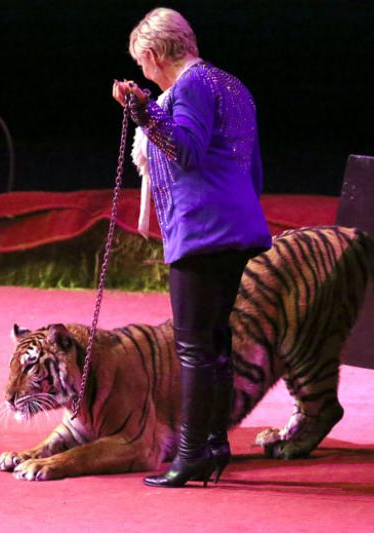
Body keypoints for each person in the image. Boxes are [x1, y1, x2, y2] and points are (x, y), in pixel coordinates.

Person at [112, 7, 272, 488]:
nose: (144, 72)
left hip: (203, 230)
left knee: (195, 348)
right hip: (235, 227)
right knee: (215, 345)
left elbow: (185, 149)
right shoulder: (233, 85)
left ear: (154, 54)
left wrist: (144, 111)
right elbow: (251, 167)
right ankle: (214, 445)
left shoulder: (192, 86)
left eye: (142, 62)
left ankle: (191, 454)